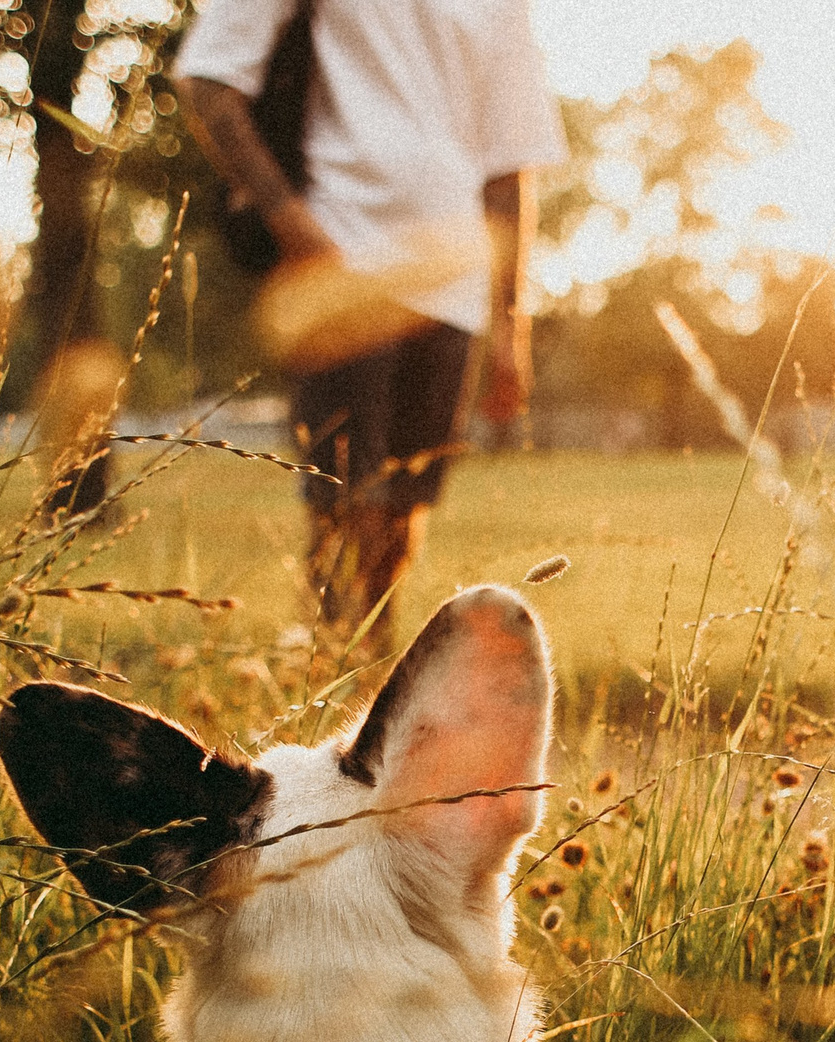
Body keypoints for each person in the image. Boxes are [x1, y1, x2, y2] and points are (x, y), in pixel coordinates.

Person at [176, 0, 566, 653]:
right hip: (341, 266)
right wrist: (292, 224)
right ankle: (328, 663)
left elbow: (509, 163)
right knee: (342, 493)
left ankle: (367, 664)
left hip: (453, 280)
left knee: (405, 503)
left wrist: (510, 325)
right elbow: (208, 80)